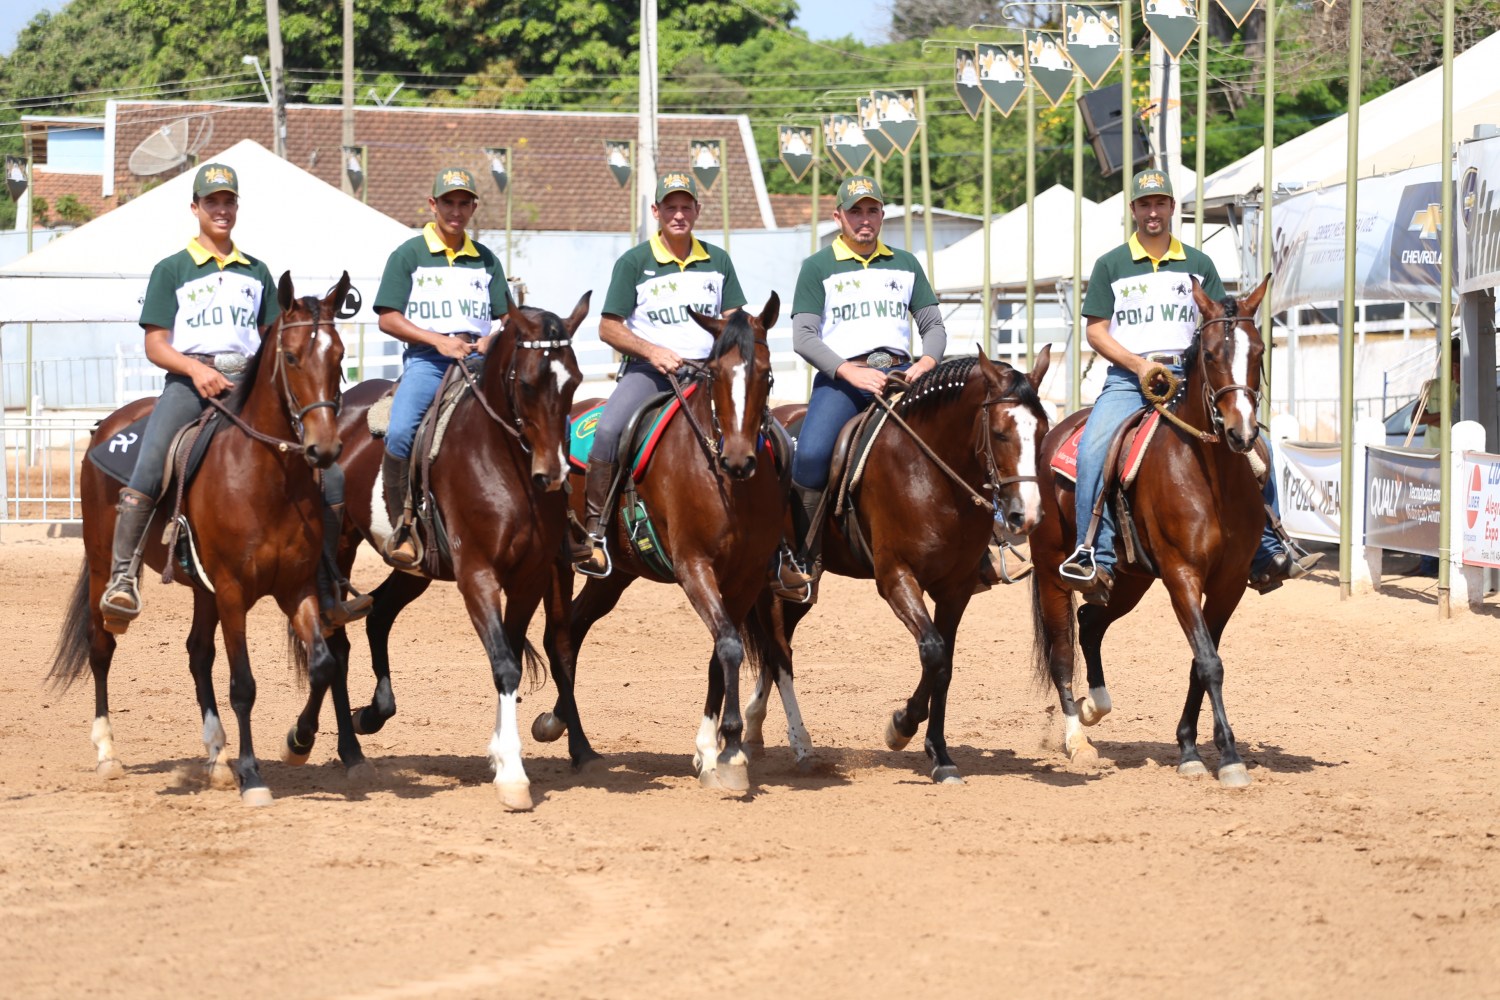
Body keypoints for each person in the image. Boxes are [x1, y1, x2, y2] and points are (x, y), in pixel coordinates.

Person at [98, 162, 371, 634]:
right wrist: (195, 369)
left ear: (236, 207)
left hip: (248, 386)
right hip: (191, 384)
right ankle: (122, 579)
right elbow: (156, 343)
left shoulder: (256, 270)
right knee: (150, 463)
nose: (221, 210)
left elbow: (273, 339)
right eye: (212, 202)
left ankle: (326, 585)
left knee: (331, 479)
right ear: (195, 208)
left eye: (228, 202)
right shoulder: (173, 269)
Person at [1060, 168, 1319, 603]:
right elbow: (1097, 331)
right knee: (1092, 449)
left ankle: (1268, 549)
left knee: (1260, 448)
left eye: (1160, 203)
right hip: (1129, 381)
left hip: (1190, 380)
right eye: (1145, 205)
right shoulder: (1111, 264)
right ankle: (1094, 554)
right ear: (1134, 211)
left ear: (1172, 208)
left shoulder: (1199, 264)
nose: (1153, 212)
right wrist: (1138, 365)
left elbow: (1221, 320)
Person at [779, 175, 947, 600]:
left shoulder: (906, 263)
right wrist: (849, 372)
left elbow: (932, 327)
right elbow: (803, 337)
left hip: (902, 376)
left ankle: (979, 551)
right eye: (855, 211)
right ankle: (801, 558)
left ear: (882, 215)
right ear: (838, 217)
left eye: (872, 210)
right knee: (813, 453)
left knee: (955, 438)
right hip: (844, 379)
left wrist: (925, 364)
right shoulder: (817, 267)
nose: (864, 219)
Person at [574, 172, 749, 575]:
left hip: (708, 376)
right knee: (609, 429)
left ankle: (778, 539)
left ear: (697, 211)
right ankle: (596, 533)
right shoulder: (635, 261)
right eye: (670, 206)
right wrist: (652, 351)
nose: (679, 214)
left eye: (686, 206)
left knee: (763, 431)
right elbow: (608, 326)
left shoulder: (717, 260)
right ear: (656, 211)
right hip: (650, 374)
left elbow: (733, 319)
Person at [373, 166, 512, 568]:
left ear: (473, 207)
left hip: (482, 362)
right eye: (448, 202)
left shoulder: (485, 259)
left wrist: (490, 339)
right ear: (433, 204)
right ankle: (403, 525)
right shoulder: (409, 254)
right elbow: (388, 317)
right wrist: (438, 341)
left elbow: (507, 317)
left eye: (463, 203)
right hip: (429, 362)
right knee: (400, 432)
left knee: (530, 417)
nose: (456, 210)